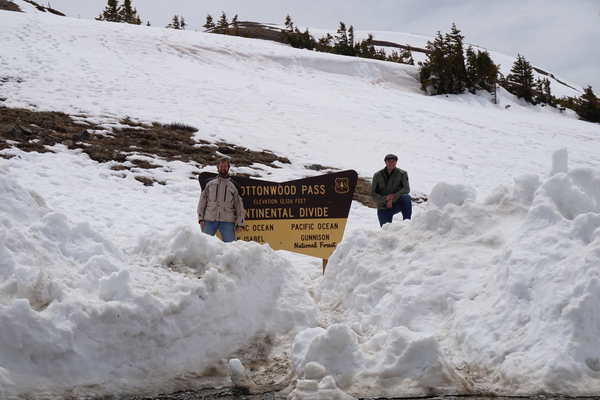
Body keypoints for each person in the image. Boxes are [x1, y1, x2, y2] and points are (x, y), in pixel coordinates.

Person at [197, 157, 245, 242]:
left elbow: (239, 206)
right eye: (221, 166)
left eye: (225, 166)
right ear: (217, 167)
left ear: (228, 167)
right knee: (205, 245)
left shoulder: (235, 186)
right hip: (209, 220)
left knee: (230, 247)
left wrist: (240, 223)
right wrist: (200, 219)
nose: (223, 168)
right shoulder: (208, 183)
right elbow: (202, 202)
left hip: (227, 222)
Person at [370, 153, 412, 227]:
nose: (391, 163)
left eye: (393, 161)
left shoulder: (402, 173)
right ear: (385, 162)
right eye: (389, 161)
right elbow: (373, 194)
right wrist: (385, 199)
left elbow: (406, 189)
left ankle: (407, 223)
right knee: (385, 230)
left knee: (406, 197)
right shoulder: (377, 175)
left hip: (396, 203)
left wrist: (392, 199)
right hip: (383, 206)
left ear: (396, 162)